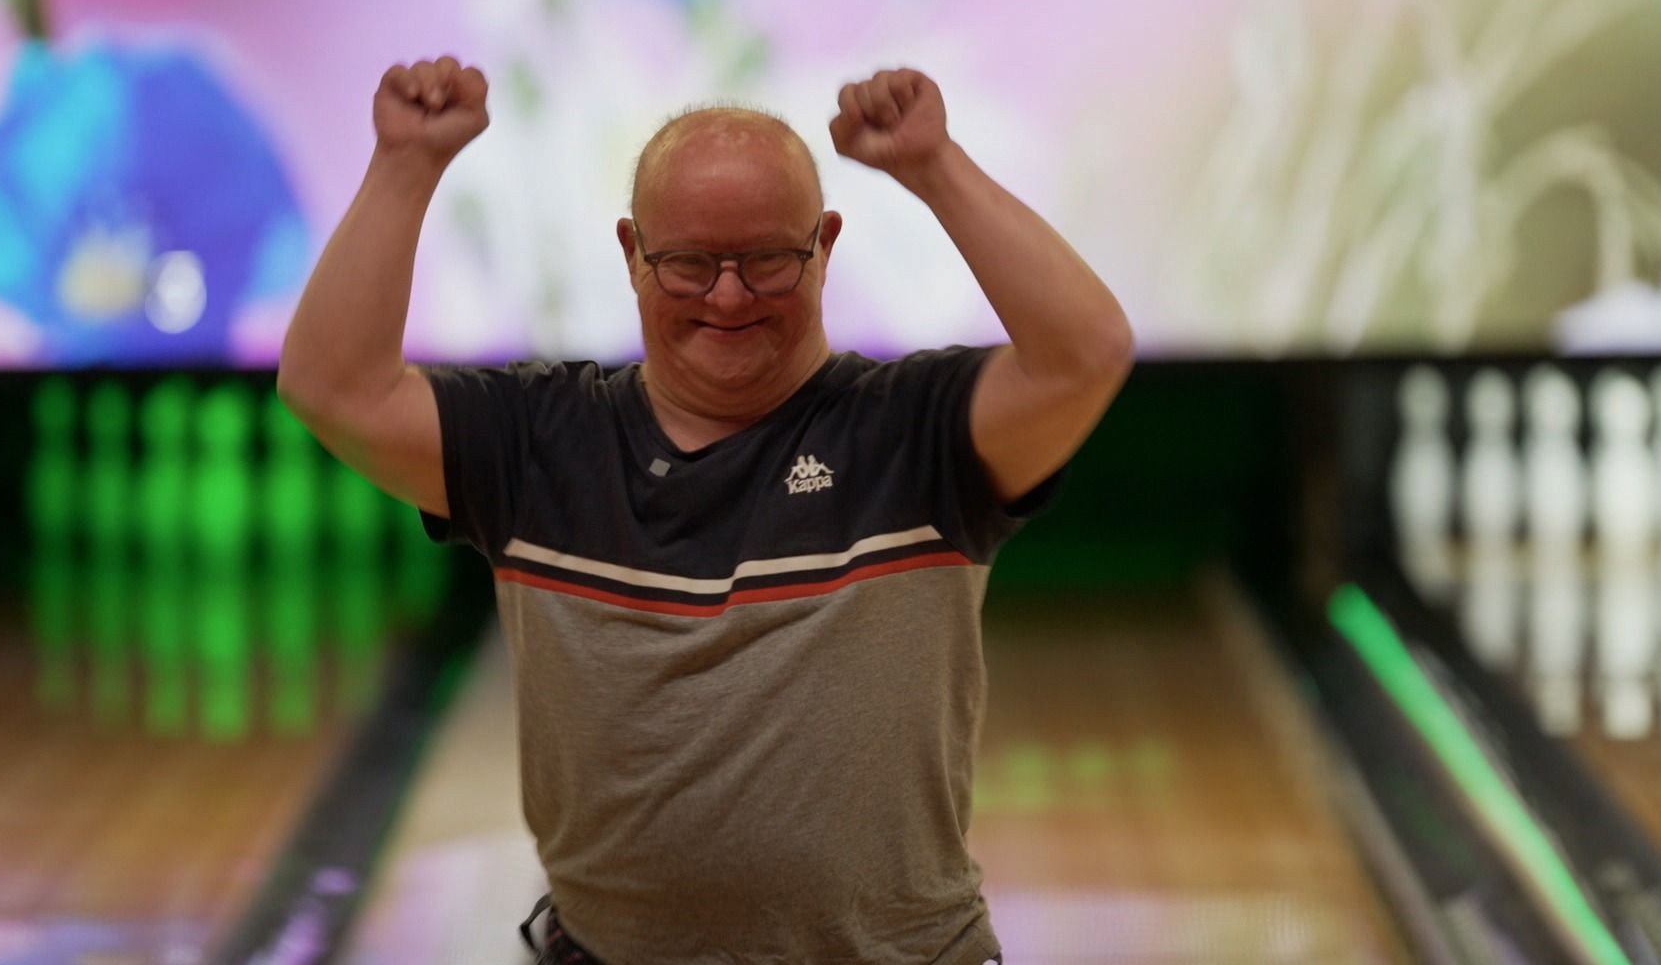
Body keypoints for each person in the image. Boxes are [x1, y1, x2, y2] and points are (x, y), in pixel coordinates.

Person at [278, 55, 1134, 964]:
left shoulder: (914, 435)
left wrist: (935, 168)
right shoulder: (538, 444)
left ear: (825, 246)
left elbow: (1086, 352)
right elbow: (335, 386)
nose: (729, 296)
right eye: (688, 264)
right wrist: (405, 165)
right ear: (631, 254)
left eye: (768, 260)